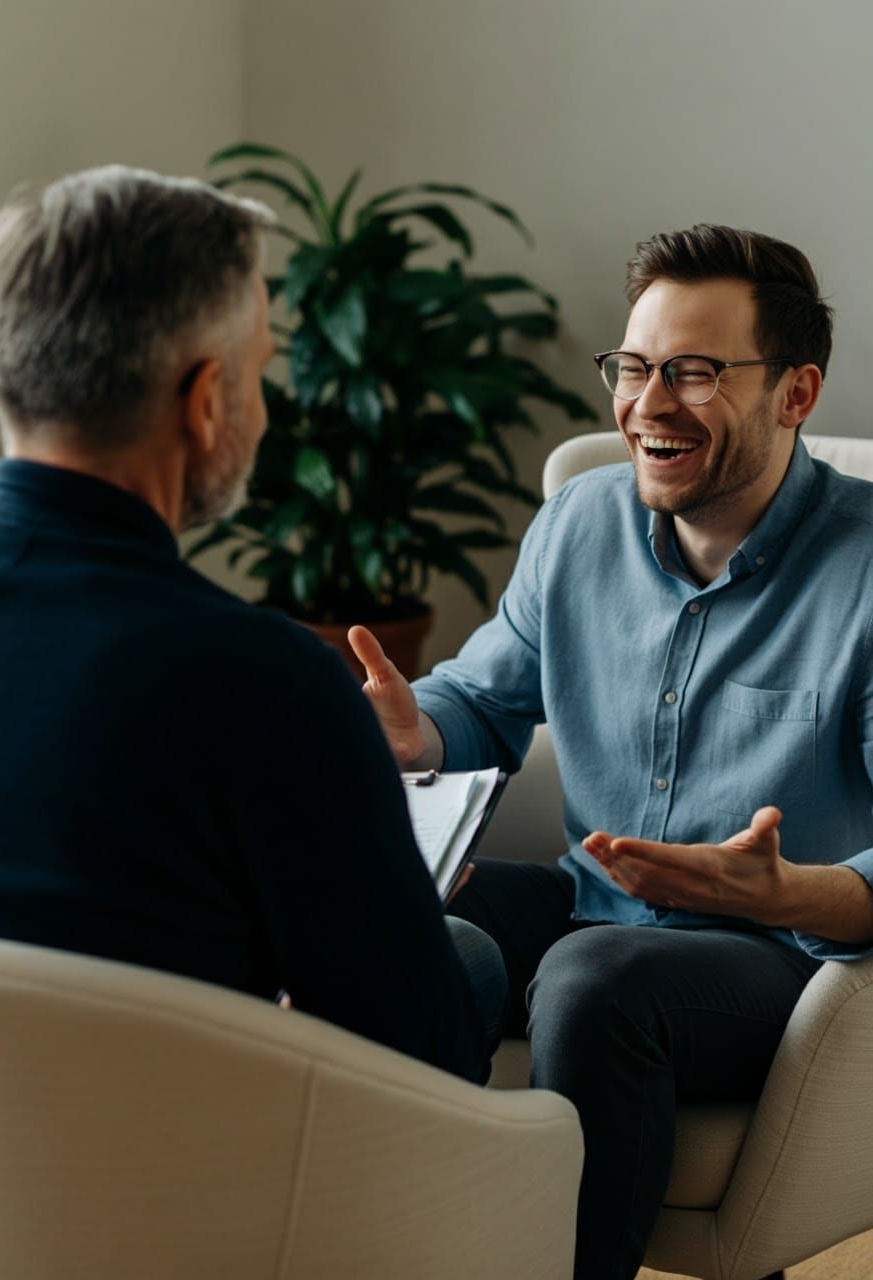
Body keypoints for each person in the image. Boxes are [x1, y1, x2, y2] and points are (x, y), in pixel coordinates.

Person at [349, 224, 873, 1278]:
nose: (646, 403)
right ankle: (398, 1246)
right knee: (371, 904)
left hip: (782, 956)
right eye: (632, 368)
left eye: (692, 372)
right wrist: (419, 728)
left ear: (793, 392)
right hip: (594, 901)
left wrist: (785, 892)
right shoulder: (578, 522)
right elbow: (481, 698)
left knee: (592, 977)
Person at [0, 164, 507, 1085]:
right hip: (174, 1194)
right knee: (467, 962)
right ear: (207, 400)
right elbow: (416, 1063)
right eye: (262, 369)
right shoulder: (264, 683)